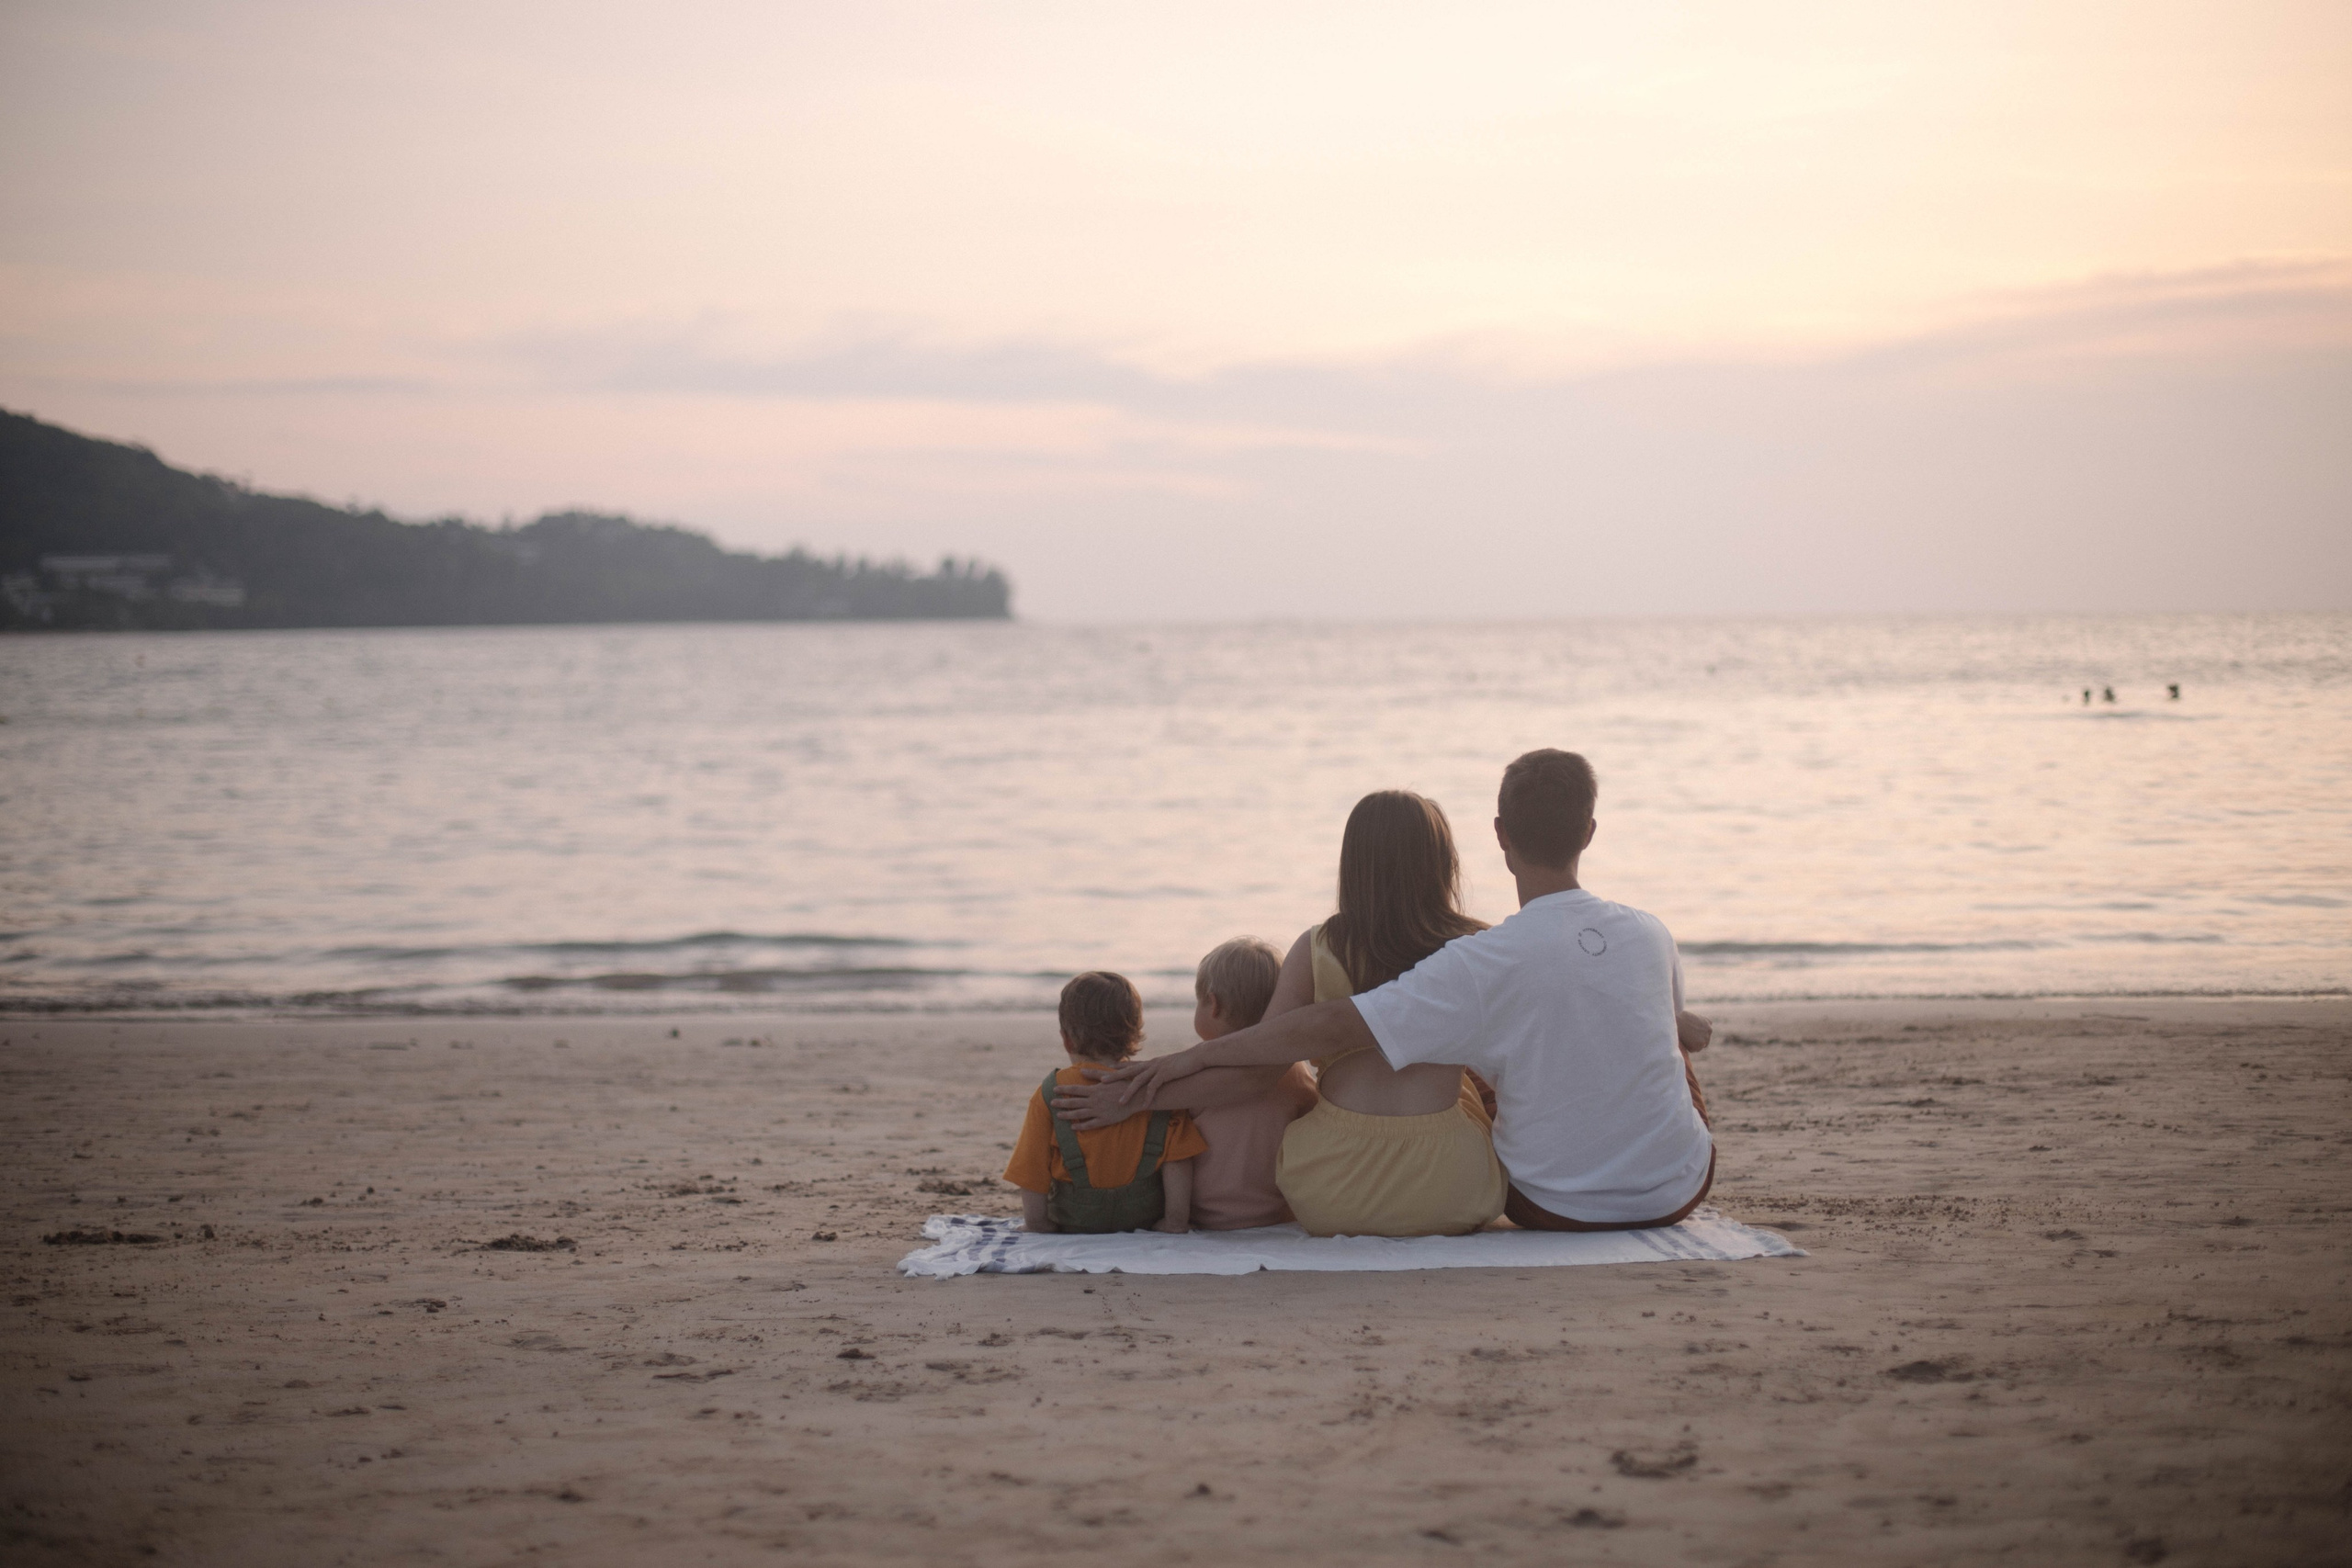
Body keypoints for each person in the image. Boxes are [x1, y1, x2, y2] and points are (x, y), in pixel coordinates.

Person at [1101, 750, 1717, 1232]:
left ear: (1501, 834)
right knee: (1637, 1033)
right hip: (1489, 1191)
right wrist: (1672, 1025)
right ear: (1589, 831)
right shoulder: (1526, 941)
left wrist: (1157, 1078)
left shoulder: (1342, 946)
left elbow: (1277, 1057)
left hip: (1339, 1190)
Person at [1003, 971, 1206, 1234]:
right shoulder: (1154, 1088)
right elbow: (1177, 1161)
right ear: (1134, 1036)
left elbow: (1031, 1168)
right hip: (1142, 1220)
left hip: (1074, 1222)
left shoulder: (1051, 1093)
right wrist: (1175, 1221)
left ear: (1066, 1038)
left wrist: (1037, 1223)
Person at [1183, 938, 1318, 1230]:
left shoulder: (1194, 1075)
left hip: (1201, 1214)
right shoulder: (1294, 1072)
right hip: (1276, 1215)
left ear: (1213, 1005)